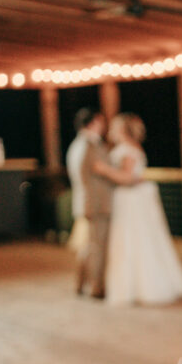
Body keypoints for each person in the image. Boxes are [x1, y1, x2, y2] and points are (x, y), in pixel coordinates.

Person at [94, 113, 182, 306]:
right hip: (132, 199)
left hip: (129, 200)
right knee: (139, 240)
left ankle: (135, 287)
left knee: (131, 241)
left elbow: (128, 178)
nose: (111, 131)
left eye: (114, 127)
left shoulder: (127, 150)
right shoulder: (130, 148)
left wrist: (104, 170)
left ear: (122, 130)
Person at [66, 108, 113, 299]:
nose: (103, 126)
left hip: (87, 202)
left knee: (88, 246)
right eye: (100, 122)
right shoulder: (88, 146)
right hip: (95, 203)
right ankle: (96, 287)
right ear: (92, 123)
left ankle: (80, 283)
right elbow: (91, 175)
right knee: (97, 247)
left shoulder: (78, 145)